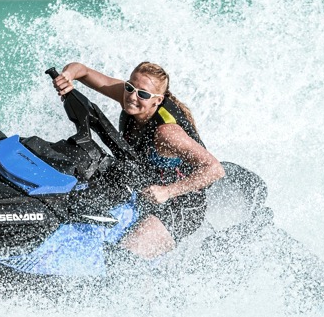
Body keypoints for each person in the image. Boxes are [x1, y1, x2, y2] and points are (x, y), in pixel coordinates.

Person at [52, 61, 224, 258]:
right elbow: (83, 71)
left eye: (142, 94)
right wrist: (67, 76)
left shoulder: (167, 133)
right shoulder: (131, 98)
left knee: (127, 258)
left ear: (157, 100)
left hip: (182, 203)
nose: (133, 96)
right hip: (145, 186)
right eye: (130, 87)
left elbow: (215, 169)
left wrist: (168, 191)